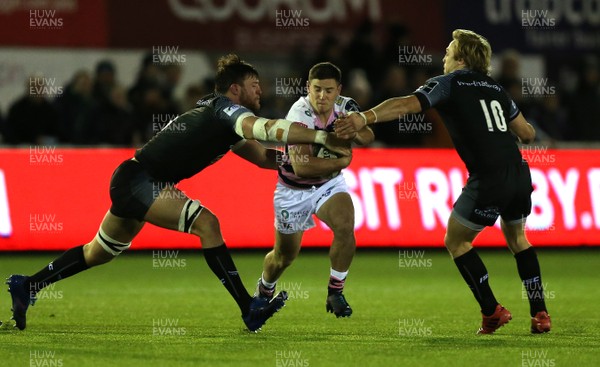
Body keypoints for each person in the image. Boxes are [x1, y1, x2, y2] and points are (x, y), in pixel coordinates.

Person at [5, 54, 350, 332]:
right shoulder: (225, 109)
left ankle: (28, 285)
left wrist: (295, 162)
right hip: (141, 180)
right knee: (208, 224)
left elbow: (261, 155)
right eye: (254, 85)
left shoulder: (221, 116)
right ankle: (249, 307)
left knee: (99, 252)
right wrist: (319, 137)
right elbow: (265, 129)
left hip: (135, 178)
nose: (261, 92)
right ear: (235, 89)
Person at [335, 30, 551, 334]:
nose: (444, 58)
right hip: (518, 173)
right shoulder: (496, 87)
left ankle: (491, 311)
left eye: (448, 52)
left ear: (461, 59)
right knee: (518, 240)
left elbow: (406, 105)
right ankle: (540, 313)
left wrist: (364, 117)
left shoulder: (448, 83)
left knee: (456, 240)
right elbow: (527, 134)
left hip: (488, 177)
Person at [254, 62, 374, 318]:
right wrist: (341, 161)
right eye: (317, 89)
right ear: (308, 87)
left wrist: (354, 127)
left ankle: (335, 291)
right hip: (293, 191)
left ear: (338, 90)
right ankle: (264, 290)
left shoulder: (346, 106)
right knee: (284, 257)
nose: (322, 96)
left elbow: (368, 137)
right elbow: (302, 168)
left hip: (328, 184)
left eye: (329, 91)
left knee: (345, 226)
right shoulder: (299, 115)